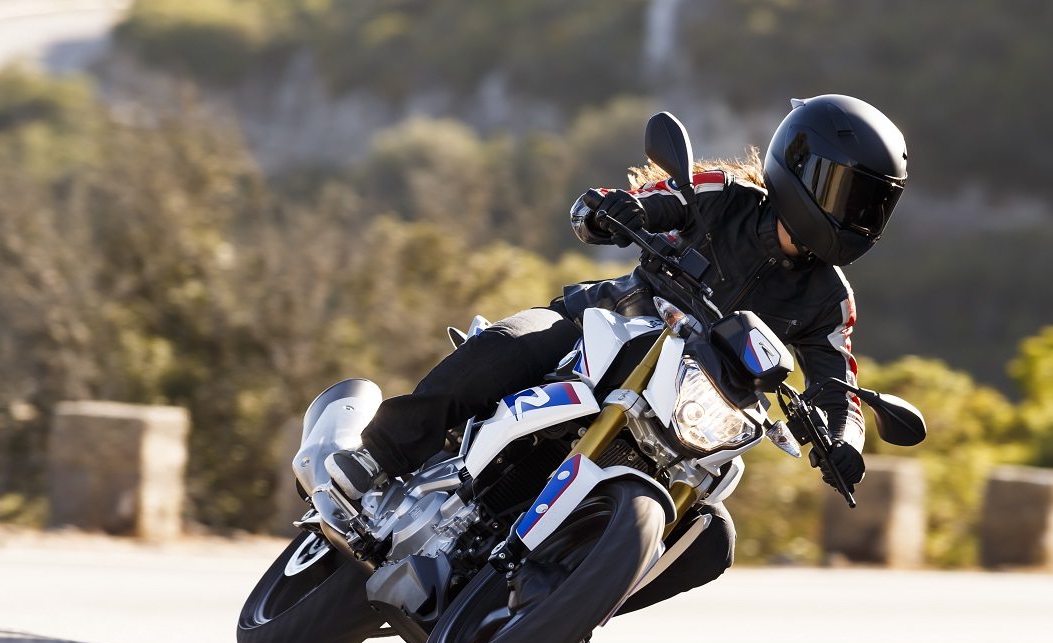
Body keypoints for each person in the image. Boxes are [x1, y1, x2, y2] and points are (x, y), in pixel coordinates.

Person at [326, 94, 908, 609]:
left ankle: (568, 606)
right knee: (515, 344)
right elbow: (654, 201)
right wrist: (615, 210)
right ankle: (377, 456)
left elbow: (839, 383)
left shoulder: (829, 300)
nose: (853, 215)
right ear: (799, 167)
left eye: (869, 205)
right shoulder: (723, 197)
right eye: (844, 193)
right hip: (605, 329)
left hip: (690, 409)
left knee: (711, 541)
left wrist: (842, 440)